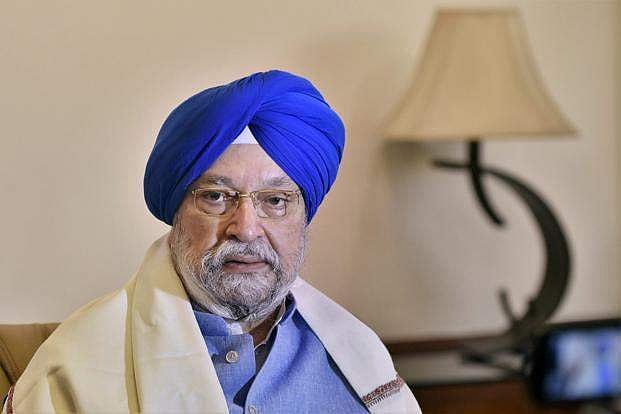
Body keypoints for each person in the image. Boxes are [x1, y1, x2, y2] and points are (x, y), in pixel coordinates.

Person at [4, 70, 421, 413]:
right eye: (216, 197)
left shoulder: (359, 359)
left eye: (275, 201)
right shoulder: (76, 367)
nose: (246, 228)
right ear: (177, 214)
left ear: (303, 217)